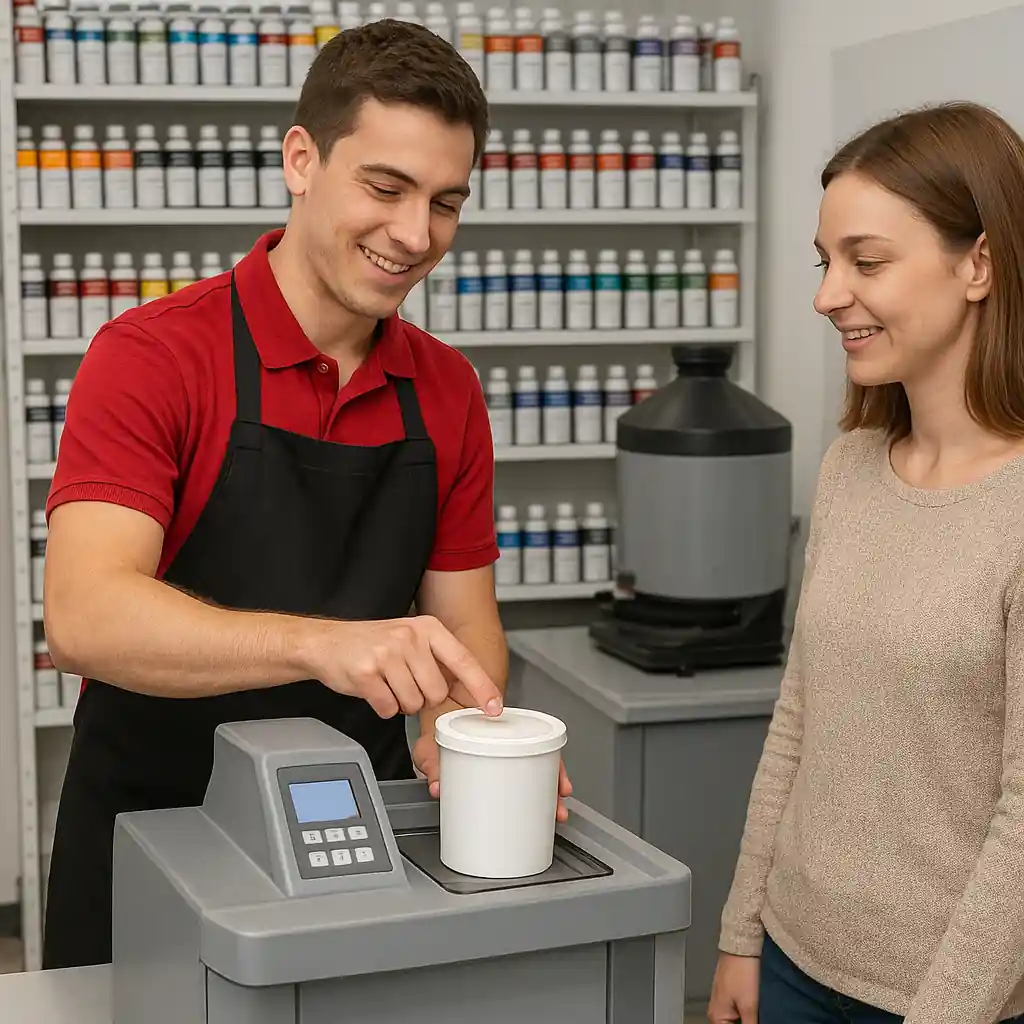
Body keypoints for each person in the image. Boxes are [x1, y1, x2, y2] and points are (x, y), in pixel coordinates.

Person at [40, 19, 570, 970]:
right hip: (153, 839)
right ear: (301, 160)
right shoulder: (155, 357)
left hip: (355, 842)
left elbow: (465, 625)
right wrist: (319, 644)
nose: (416, 235)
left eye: (446, 202)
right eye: (386, 188)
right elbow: (84, 616)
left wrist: (463, 736)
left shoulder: (446, 390)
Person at [707, 100, 1024, 1024]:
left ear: (978, 265)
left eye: (867, 262)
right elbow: (798, 721)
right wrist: (742, 935)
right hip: (792, 962)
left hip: (947, 998)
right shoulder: (850, 468)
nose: (827, 295)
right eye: (826, 262)